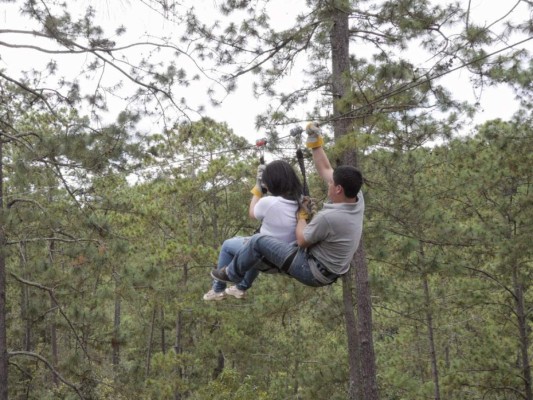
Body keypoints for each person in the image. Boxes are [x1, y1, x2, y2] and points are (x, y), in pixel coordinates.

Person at [211, 122, 364, 287]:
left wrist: (301, 217)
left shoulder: (330, 217)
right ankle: (240, 284)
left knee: (257, 241)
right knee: (257, 243)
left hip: (313, 271)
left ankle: (231, 274)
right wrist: (315, 142)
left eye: (331, 183)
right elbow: (325, 169)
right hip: (330, 268)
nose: (328, 183)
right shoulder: (355, 195)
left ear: (339, 189)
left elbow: (302, 241)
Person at [203, 159, 304, 300]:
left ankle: (218, 289)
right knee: (248, 244)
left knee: (229, 245)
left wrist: (257, 188)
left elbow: (252, 213)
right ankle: (240, 288)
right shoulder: (301, 201)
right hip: (285, 256)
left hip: (265, 254)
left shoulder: (269, 203)